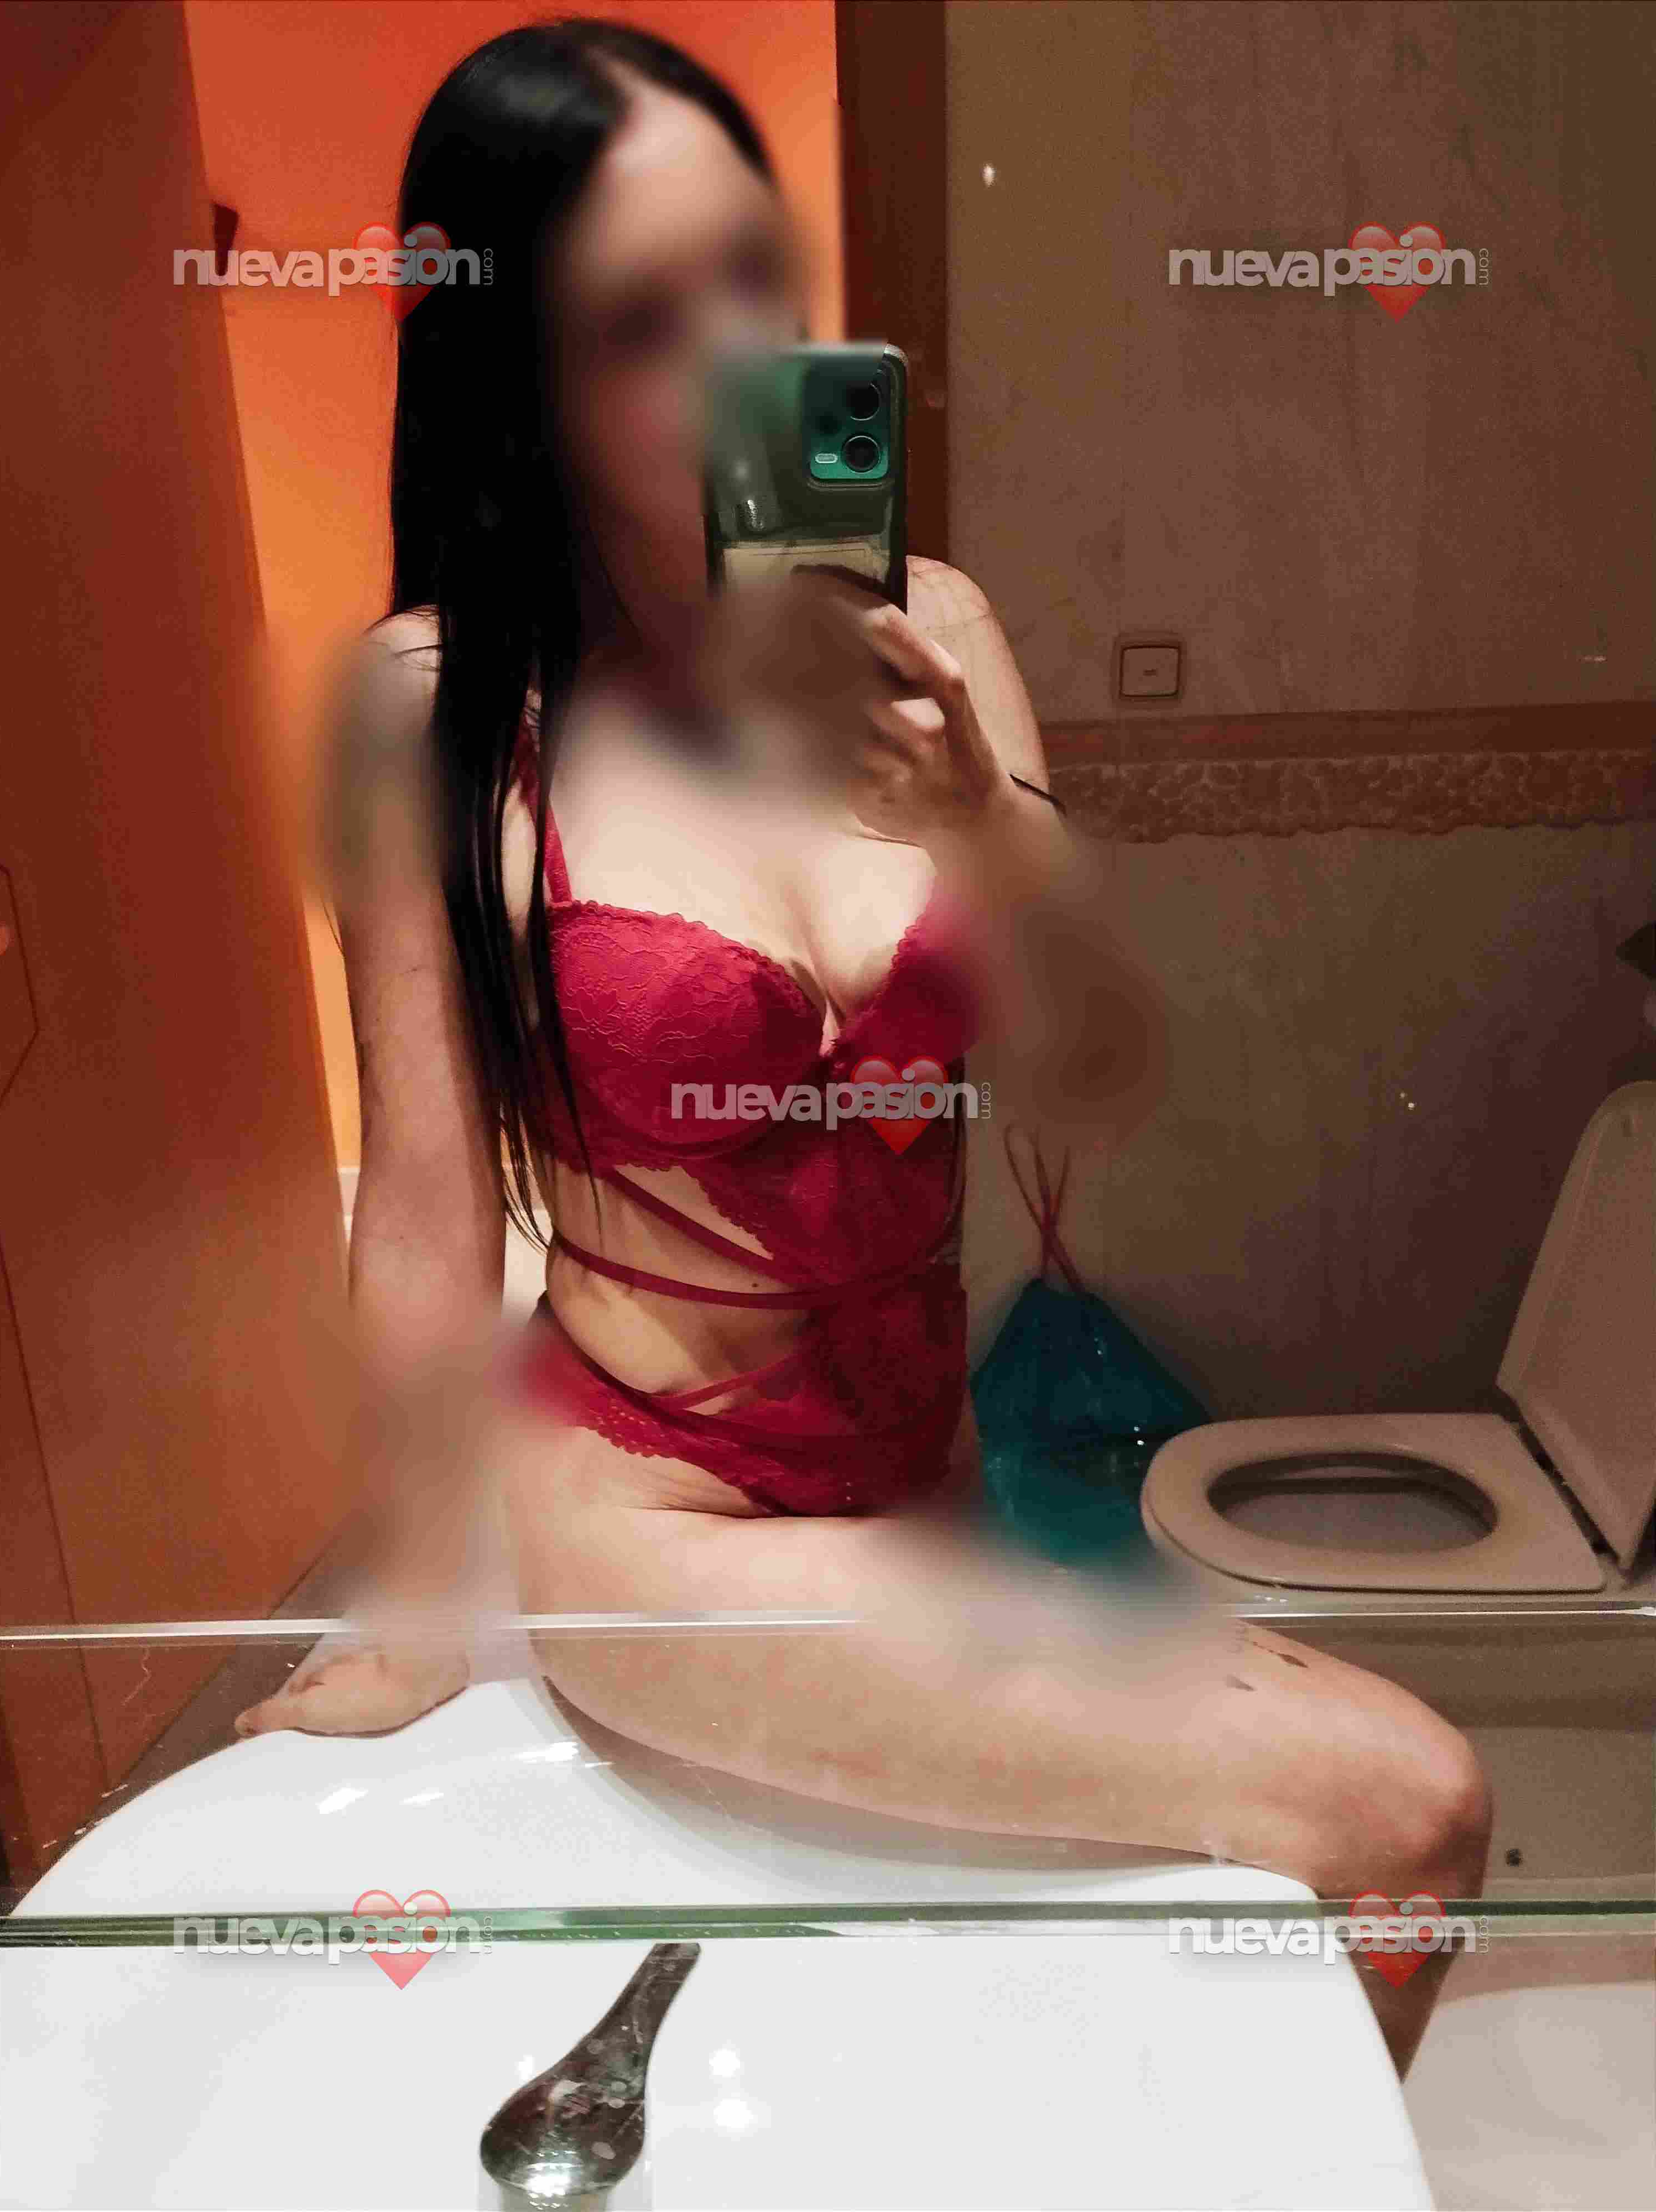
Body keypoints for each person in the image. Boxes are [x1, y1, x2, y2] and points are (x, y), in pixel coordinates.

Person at [235, 18, 1491, 2075]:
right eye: (638, 319)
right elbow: (429, 1212)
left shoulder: (939, 623)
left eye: (750, 278)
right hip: (664, 1529)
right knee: (1410, 1807)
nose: (729, 354)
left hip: (936, 1490)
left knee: (1035, 2019)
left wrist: (973, 817)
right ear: (517, 369)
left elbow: (1093, 1060)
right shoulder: (436, 705)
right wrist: (401, 1610)